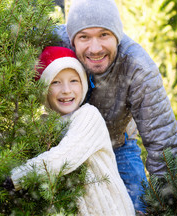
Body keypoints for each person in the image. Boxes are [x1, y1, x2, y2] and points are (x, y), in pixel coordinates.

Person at [54, 0, 177, 213]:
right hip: (62, 147)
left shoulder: (137, 66)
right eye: (84, 37)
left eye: (104, 35)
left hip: (118, 145)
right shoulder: (55, 45)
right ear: (71, 39)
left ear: (117, 36)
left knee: (136, 206)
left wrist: (170, 202)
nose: (95, 48)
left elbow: (163, 141)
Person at [10, 46, 135, 216]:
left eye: (74, 81)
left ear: (83, 84)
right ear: (44, 90)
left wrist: (15, 177)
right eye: (55, 82)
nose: (66, 90)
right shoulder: (43, 126)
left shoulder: (88, 116)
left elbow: (64, 157)